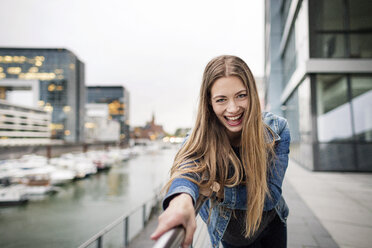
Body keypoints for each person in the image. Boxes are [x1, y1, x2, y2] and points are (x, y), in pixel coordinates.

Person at [150, 55, 290, 248]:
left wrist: (220, 190)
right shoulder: (199, 139)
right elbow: (186, 171)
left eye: (241, 95)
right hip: (232, 239)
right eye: (221, 99)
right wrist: (180, 201)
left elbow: (271, 195)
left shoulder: (277, 130)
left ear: (252, 93)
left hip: (272, 226)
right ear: (209, 103)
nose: (233, 108)